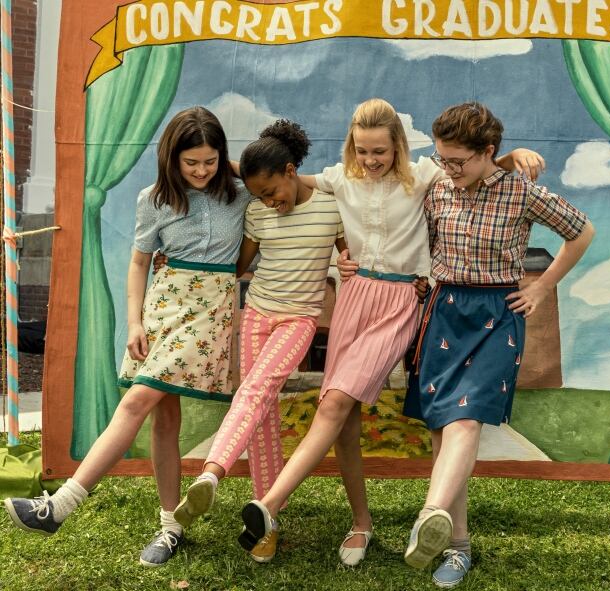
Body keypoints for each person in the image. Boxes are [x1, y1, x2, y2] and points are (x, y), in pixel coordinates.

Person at [234, 98, 546, 567]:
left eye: (379, 150)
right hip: (354, 298)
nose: (371, 160)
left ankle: (271, 505)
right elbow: (285, 182)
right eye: (362, 151)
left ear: (397, 145)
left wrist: (510, 155)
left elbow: (475, 166)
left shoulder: (424, 176)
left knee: (336, 400)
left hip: (400, 302)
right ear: (351, 147)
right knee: (341, 414)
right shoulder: (340, 179)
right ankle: (360, 522)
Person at [3, 106, 253, 567]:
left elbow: (286, 181)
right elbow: (140, 263)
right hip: (162, 307)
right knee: (164, 419)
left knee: (136, 402)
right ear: (170, 159)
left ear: (223, 157)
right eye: (190, 162)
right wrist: (135, 322)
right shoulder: (153, 198)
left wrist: (233, 166)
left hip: (209, 312)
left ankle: (61, 505)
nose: (200, 171)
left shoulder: (240, 194)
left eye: (210, 160)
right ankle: (170, 528)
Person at [401, 102, 595, 588]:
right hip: (442, 312)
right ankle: (457, 545)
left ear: (488, 152)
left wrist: (542, 285)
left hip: (496, 316)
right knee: (443, 433)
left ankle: (430, 514)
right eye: (443, 158)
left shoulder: (520, 192)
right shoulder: (437, 188)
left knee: (467, 420)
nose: (449, 168)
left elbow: (582, 231)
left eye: (459, 160)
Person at [171, 119, 347, 564]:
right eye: (261, 196)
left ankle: (211, 473)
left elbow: (351, 255)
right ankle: (265, 522)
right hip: (257, 317)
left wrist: (353, 267)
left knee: (254, 391)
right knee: (261, 415)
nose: (270, 202)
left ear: (291, 171)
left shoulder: (331, 207)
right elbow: (237, 269)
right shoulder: (257, 211)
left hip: (299, 320)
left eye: (273, 192)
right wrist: (182, 273)